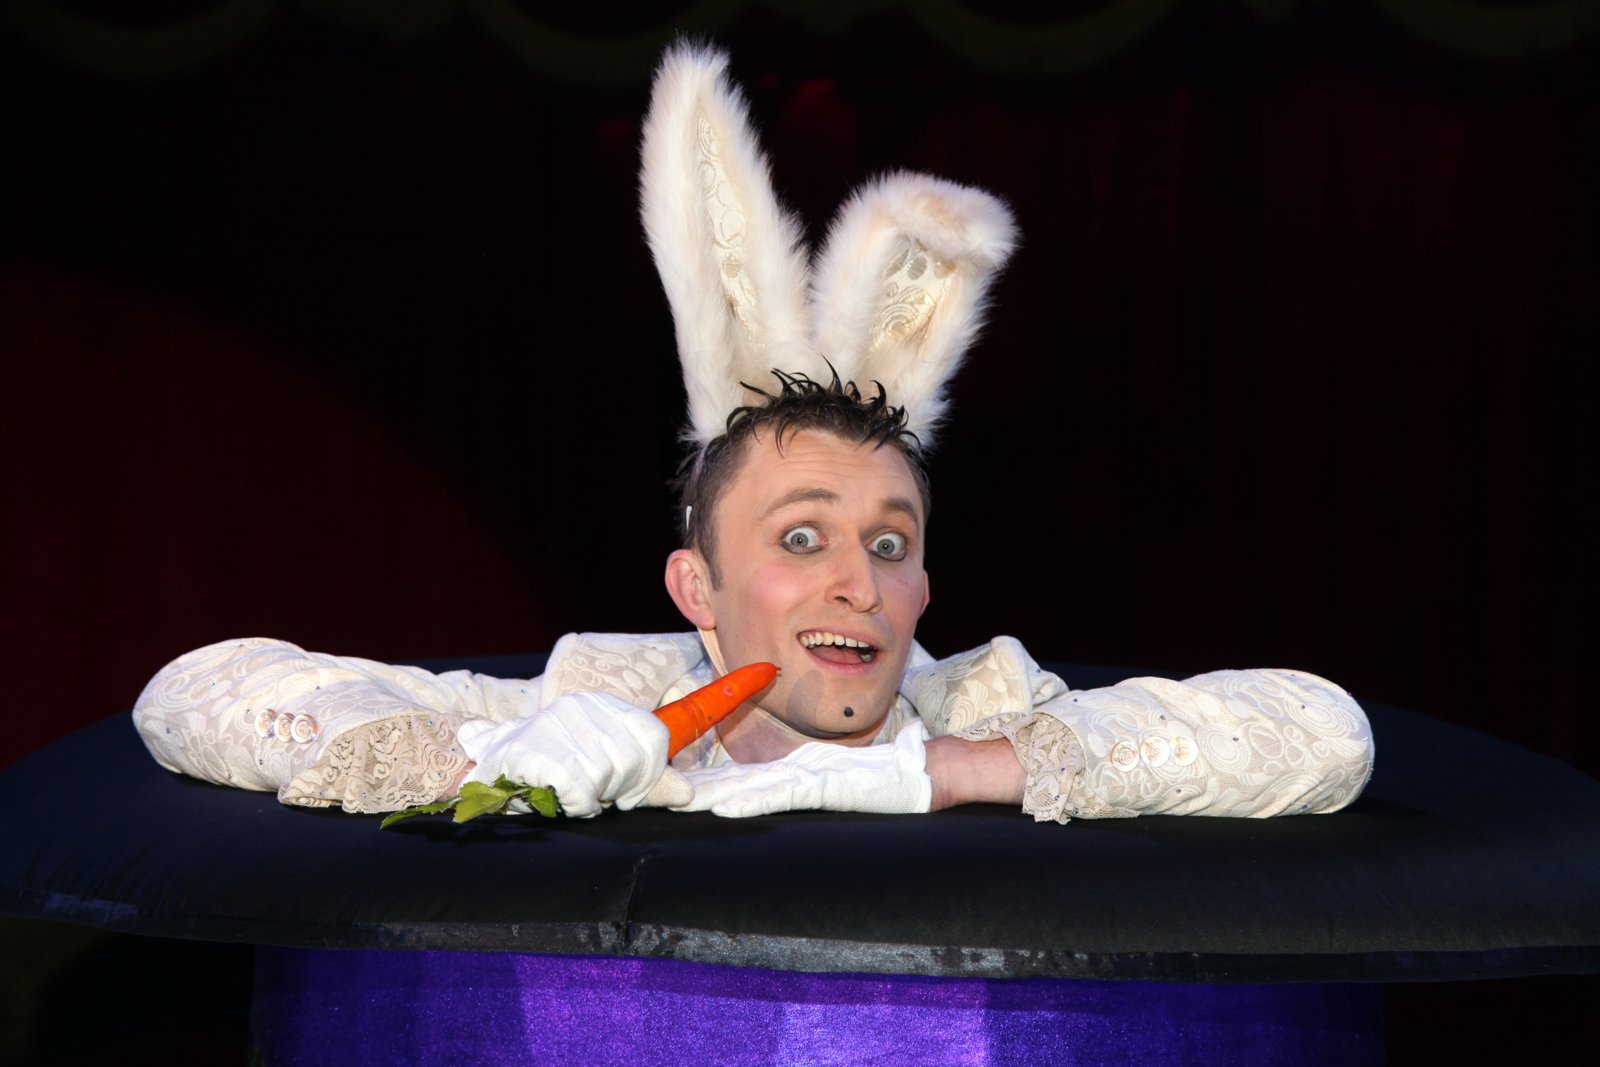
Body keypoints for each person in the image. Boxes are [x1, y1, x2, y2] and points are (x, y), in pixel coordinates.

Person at [132, 45, 1373, 824]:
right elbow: (194, 689)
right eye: (800, 535)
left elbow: (1325, 733)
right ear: (696, 586)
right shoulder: (596, 699)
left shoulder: (982, 702)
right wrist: (489, 760)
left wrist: (950, 771)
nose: (858, 582)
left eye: (890, 544)